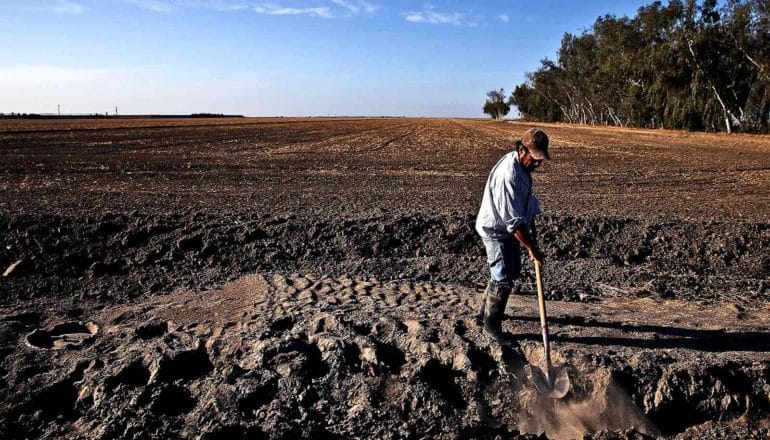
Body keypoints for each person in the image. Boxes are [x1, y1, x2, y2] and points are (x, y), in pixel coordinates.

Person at [475, 128, 550, 345]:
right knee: (502, 277)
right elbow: (513, 222)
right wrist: (531, 248)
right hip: (495, 230)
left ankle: (484, 311)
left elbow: (526, 206)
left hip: (509, 228)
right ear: (521, 150)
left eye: (540, 160)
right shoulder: (509, 175)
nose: (537, 164)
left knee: (511, 270)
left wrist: (532, 236)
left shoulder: (523, 169)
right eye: (534, 159)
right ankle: (491, 325)